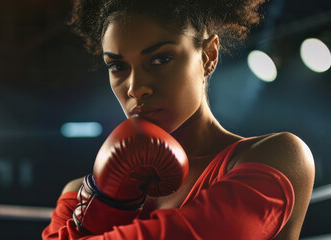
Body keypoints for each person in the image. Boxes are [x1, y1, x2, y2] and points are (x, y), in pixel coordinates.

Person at [42, 0, 315, 239]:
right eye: (118, 66)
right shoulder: (79, 191)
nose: (135, 88)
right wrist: (108, 201)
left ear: (209, 56)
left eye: (161, 59)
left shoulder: (280, 156)